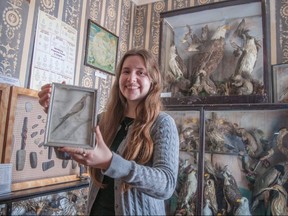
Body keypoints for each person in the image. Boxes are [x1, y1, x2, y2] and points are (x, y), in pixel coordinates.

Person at [38, 48, 179, 215]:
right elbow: (66, 154)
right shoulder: (101, 120)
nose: (131, 78)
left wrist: (110, 162)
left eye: (141, 72)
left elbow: (166, 185)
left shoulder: (163, 124)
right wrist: (57, 115)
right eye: (126, 71)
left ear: (153, 80)